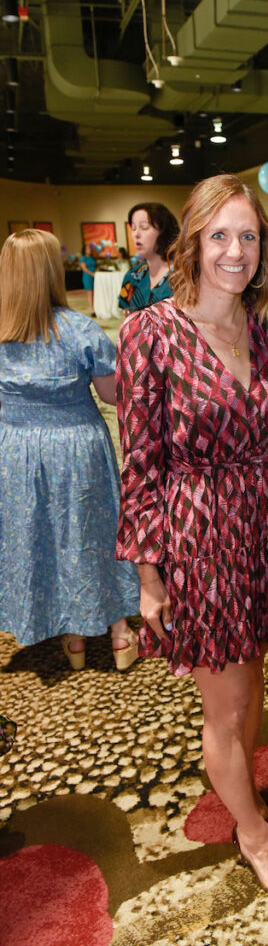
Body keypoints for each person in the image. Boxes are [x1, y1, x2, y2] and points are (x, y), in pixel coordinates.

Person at [115, 175, 268, 899]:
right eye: (220, 235)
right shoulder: (150, 333)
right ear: (193, 241)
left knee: (251, 677)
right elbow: (139, 460)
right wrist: (148, 573)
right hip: (197, 535)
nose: (235, 251)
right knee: (222, 703)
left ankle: (244, 794)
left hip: (263, 527)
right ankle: (253, 832)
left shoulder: (267, 328)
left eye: (249, 236)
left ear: (265, 248)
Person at [0, 229, 139, 671]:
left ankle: (72, 635)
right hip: (78, 445)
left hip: (17, 450)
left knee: (39, 535)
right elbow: (114, 396)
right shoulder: (79, 329)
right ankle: (119, 631)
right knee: (93, 533)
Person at [118, 203, 179, 313]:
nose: (136, 234)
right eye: (133, 228)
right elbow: (127, 319)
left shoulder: (185, 276)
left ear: (163, 231)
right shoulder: (133, 276)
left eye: (144, 227)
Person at [79, 243, 97, 316]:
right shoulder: (83, 258)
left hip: (95, 276)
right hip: (88, 276)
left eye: (89, 248)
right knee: (90, 293)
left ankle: (95, 307)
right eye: (87, 248)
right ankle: (91, 309)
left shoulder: (92, 257)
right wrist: (92, 274)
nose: (89, 250)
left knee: (94, 293)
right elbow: (84, 268)